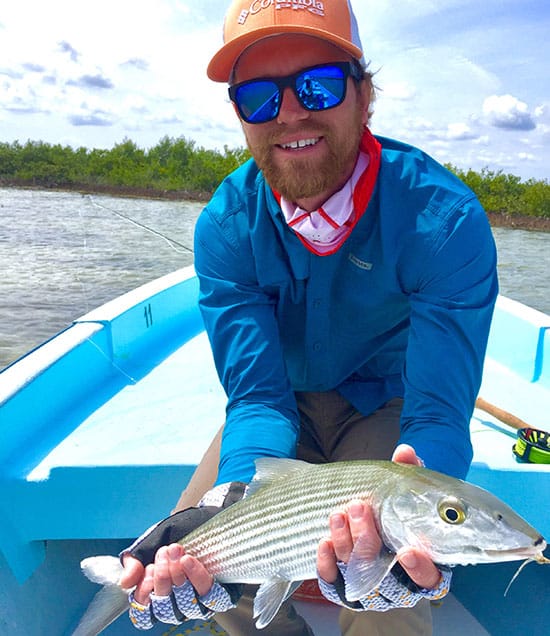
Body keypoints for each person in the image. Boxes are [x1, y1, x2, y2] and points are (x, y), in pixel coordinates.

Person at [120, 0, 498, 634]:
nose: (290, 112)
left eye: (317, 85)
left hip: (386, 403)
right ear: (240, 115)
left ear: (364, 96)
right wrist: (235, 499)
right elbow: (258, 399)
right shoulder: (226, 225)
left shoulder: (444, 222)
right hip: (280, 402)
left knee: (388, 588)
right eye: (259, 97)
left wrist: (418, 497)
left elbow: (436, 414)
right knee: (214, 564)